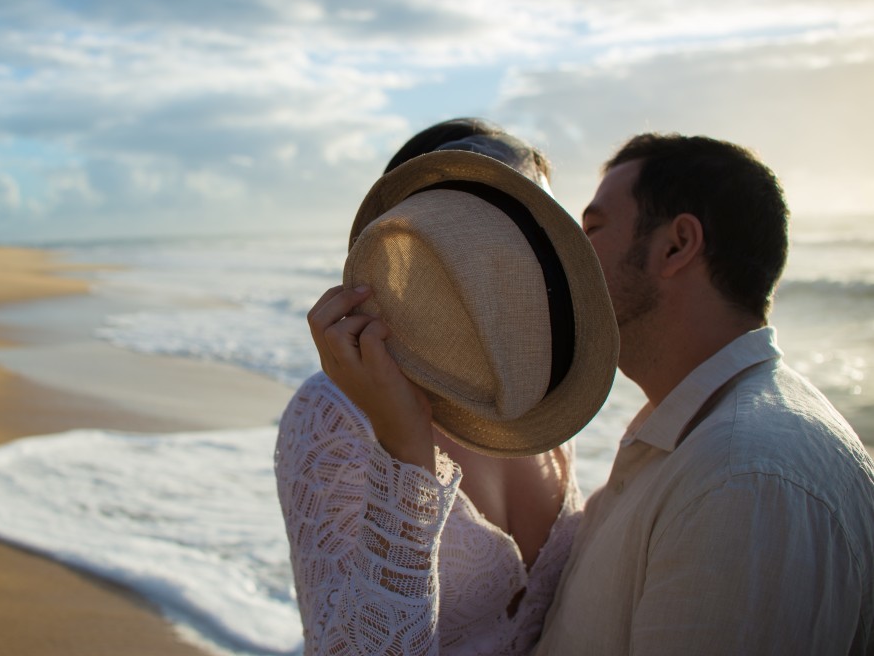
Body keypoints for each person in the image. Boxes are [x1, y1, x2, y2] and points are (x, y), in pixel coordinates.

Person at [308, 131, 874, 655]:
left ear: (676, 246)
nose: (562, 257)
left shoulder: (744, 480)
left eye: (592, 229)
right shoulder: (688, 434)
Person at [275, 119, 620, 654]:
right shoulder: (331, 414)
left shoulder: (538, 402)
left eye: (542, 232)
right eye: (491, 229)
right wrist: (404, 450)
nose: (527, 255)